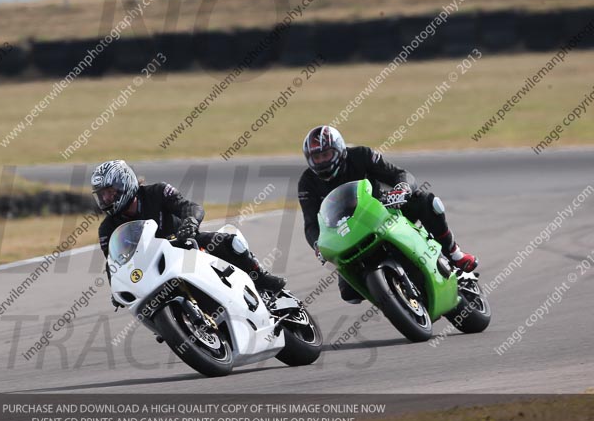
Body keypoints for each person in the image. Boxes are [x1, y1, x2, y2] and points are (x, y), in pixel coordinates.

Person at [298, 126, 478, 304]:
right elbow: (311, 223)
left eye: (326, 155)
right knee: (349, 293)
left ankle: (454, 253)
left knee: (426, 201)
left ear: (339, 150)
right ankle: (392, 296)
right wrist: (317, 244)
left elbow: (398, 174)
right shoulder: (307, 183)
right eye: (317, 157)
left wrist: (402, 188)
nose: (322, 161)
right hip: (347, 233)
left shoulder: (361, 155)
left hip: (384, 212)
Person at [92, 160, 287, 307]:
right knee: (142, 304)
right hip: (151, 269)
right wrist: (116, 289)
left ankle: (261, 278)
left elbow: (190, 207)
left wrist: (191, 222)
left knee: (230, 242)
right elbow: (114, 264)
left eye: (109, 192)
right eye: (102, 195)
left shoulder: (158, 191)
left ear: (124, 183)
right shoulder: (107, 229)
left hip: (185, 245)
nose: (106, 199)